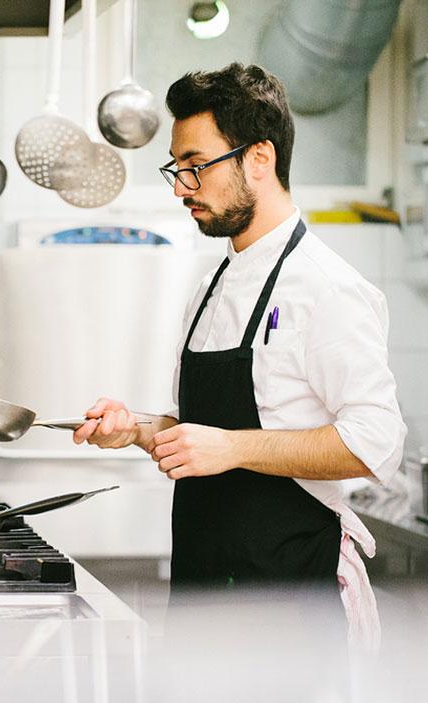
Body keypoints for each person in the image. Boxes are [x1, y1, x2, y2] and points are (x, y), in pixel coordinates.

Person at [72, 63, 406, 647]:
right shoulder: (211, 286)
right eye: (177, 168)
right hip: (204, 603)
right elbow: (202, 437)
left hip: (292, 613)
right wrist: (140, 430)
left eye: (197, 166)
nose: (181, 187)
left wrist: (232, 448)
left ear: (260, 157)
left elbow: (376, 442)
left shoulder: (326, 287)